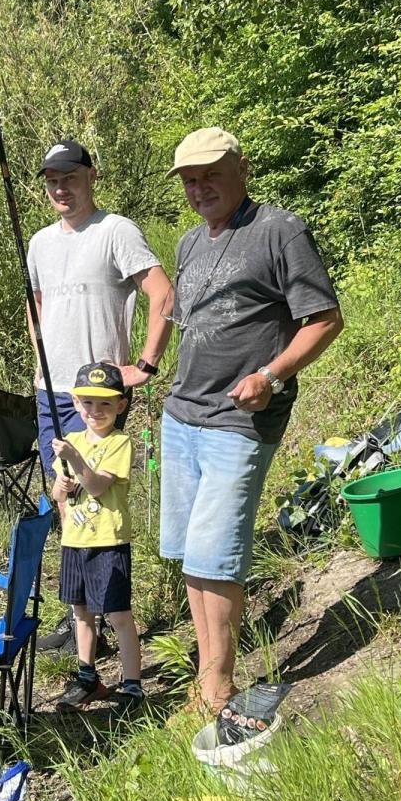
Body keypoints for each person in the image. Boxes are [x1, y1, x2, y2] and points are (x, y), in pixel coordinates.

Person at [160, 127, 343, 713]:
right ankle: (208, 674)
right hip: (182, 417)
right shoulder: (190, 243)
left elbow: (324, 318)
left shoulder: (278, 230)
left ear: (241, 168)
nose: (200, 187)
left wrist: (272, 376)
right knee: (192, 557)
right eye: (190, 179)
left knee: (219, 556)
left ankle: (220, 686)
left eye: (211, 174)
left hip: (239, 421)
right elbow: (189, 321)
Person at [26, 139, 172, 652]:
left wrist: (146, 366)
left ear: (91, 177)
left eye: (69, 176)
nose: (60, 187)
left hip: (99, 395)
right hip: (52, 391)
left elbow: (162, 292)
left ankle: (109, 614)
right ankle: (80, 616)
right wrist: (40, 358)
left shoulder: (116, 231)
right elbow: (37, 303)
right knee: (63, 493)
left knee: (98, 495)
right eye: (51, 180)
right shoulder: (40, 243)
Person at [50, 362, 143, 712]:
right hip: (74, 542)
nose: (95, 411)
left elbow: (98, 486)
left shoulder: (120, 442)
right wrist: (60, 487)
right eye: (88, 403)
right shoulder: (71, 440)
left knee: (118, 614)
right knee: (81, 613)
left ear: (121, 405)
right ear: (76, 403)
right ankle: (88, 676)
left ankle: (132, 684)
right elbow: (61, 495)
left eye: (105, 404)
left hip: (108, 542)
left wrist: (75, 460)